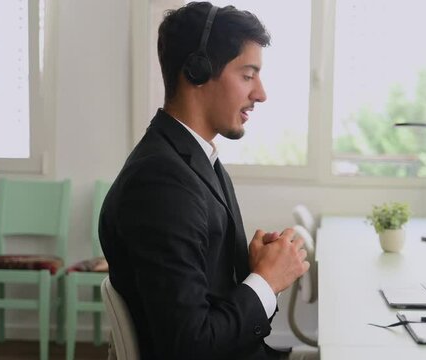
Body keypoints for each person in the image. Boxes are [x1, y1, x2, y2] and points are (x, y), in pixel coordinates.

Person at [99, 2, 310, 359]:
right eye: (248, 75)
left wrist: (251, 270)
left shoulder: (196, 161)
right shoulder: (160, 183)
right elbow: (189, 344)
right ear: (197, 72)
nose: (261, 93)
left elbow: (204, 297)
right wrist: (266, 281)